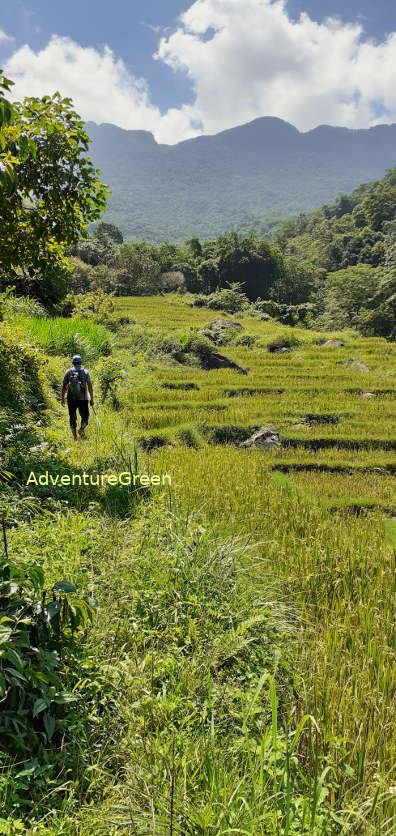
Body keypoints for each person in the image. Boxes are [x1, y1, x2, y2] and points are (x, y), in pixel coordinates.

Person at [61, 355, 94, 440]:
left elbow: (64, 386)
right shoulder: (85, 372)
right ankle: (81, 430)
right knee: (85, 416)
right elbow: (89, 386)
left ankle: (75, 437)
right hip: (83, 398)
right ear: (81, 363)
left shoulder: (68, 372)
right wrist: (91, 399)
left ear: (73, 363)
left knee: (72, 417)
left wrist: (62, 399)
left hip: (71, 398)